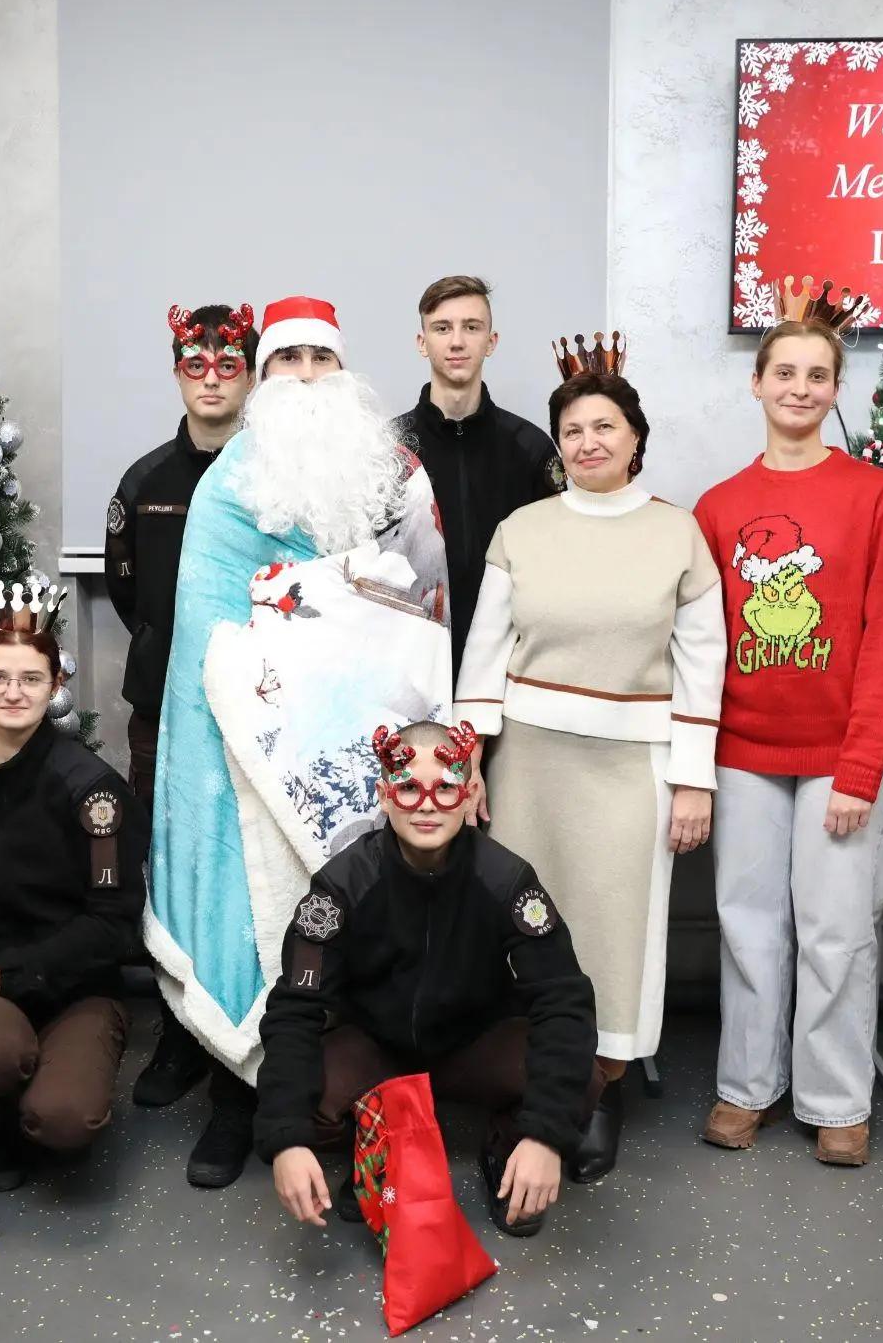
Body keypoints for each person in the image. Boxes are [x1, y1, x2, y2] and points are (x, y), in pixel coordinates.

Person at [148, 295, 452, 1190]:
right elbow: (206, 626)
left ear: (345, 369)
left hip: (363, 746)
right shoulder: (227, 483)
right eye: (289, 360)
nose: (307, 376)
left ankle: (347, 1102)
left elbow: (424, 606)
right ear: (264, 375)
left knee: (355, 922)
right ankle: (236, 1100)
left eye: (322, 358)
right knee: (252, 917)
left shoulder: (396, 475)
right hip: (253, 741)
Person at [454, 339, 726, 1181]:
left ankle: (598, 1090)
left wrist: (693, 778)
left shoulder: (677, 533)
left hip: (631, 767)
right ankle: (523, 1082)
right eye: (572, 430)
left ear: (635, 437)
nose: (588, 442)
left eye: (605, 426)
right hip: (527, 763)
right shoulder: (522, 530)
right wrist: (469, 763)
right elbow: (483, 655)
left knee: (613, 931)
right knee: (520, 924)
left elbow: (702, 662)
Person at [692, 314, 883, 1167]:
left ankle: (836, 1097)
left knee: (836, 929)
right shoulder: (718, 507)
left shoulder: (877, 497)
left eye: (816, 375)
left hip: (839, 757)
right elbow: (702, 644)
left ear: (835, 389)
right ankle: (746, 1084)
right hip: (743, 749)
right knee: (747, 924)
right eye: (783, 372)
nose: (799, 388)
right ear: (756, 383)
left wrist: (860, 766)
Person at [256, 721, 601, 1238]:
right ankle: (379, 1142)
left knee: (582, 1079)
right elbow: (295, 1008)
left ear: (470, 794)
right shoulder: (342, 887)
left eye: (445, 788)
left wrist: (546, 1136)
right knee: (308, 1099)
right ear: (384, 795)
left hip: (472, 1043)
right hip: (377, 1047)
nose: (426, 805)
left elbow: (563, 998)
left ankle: (507, 1148)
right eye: (408, 788)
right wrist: (286, 1140)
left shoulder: (507, 881)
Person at [0, 579, 146, 1190]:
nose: (13, 693)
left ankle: (38, 1089)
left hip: (76, 987)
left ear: (55, 684)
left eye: (31, 679)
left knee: (64, 1119)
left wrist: (6, 975)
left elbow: (112, 924)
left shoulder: (90, 788)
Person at [106, 302, 257, 1110]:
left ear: (251, 376)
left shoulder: (272, 478)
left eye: (227, 366)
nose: (211, 380)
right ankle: (177, 1030)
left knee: (241, 868)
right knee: (166, 859)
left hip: (255, 710)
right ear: (176, 374)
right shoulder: (145, 481)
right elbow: (127, 590)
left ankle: (246, 1027)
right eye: (195, 366)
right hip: (164, 708)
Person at [390, 276, 560, 676]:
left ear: (491, 341)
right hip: (411, 666)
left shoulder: (530, 448)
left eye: (471, 327)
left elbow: (558, 563)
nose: (457, 342)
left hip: (509, 667)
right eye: (442, 328)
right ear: (422, 342)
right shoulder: (388, 451)